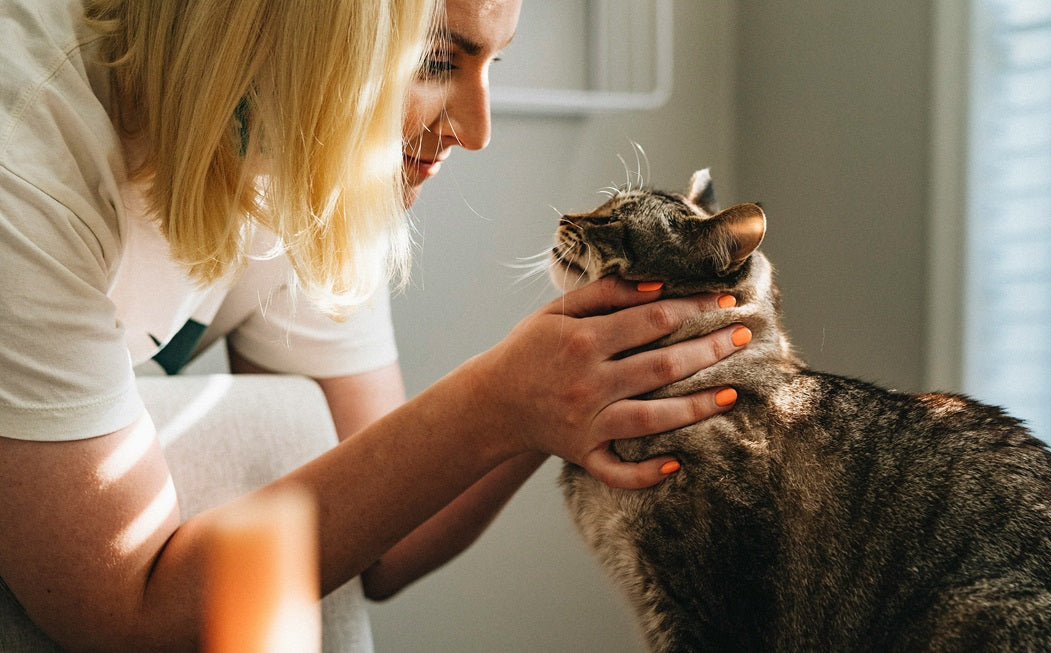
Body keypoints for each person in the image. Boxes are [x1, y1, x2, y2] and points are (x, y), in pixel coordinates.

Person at [0, 0, 750, 650]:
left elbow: (382, 542)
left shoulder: (303, 145)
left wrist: (568, 381)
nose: (477, 129)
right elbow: (122, 610)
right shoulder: (26, 160)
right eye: (434, 60)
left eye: (489, 63)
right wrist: (503, 397)